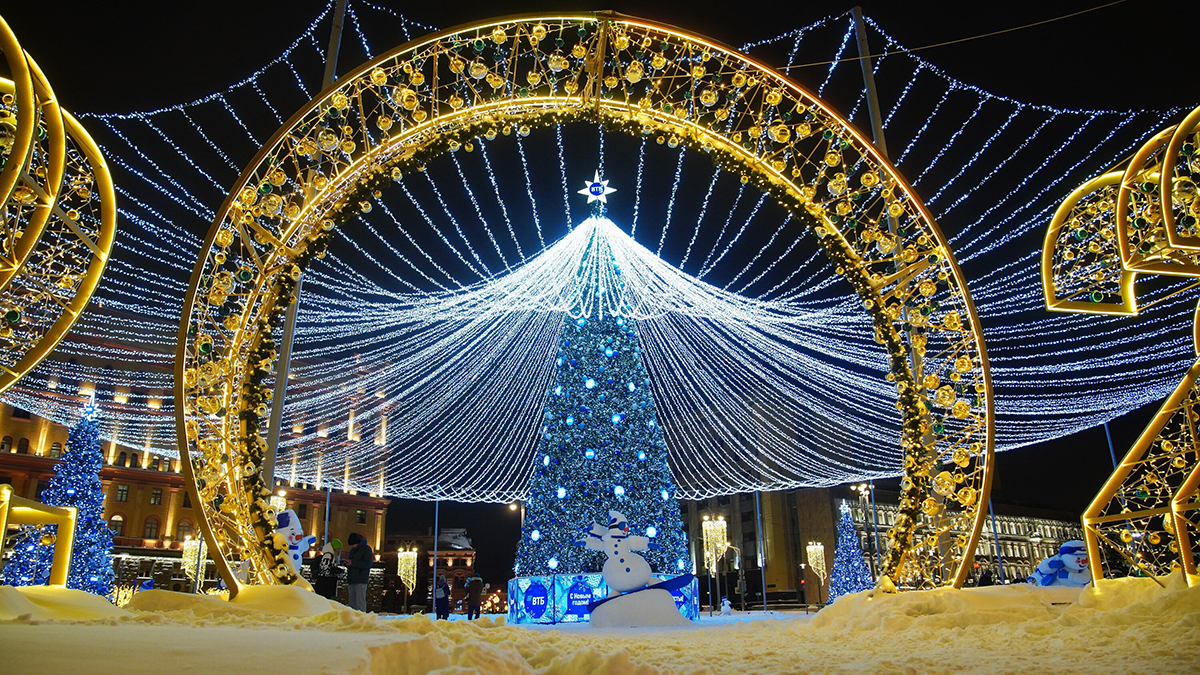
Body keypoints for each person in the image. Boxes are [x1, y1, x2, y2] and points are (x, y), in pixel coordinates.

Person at [346, 532, 374, 611]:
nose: (351, 546)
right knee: (352, 602)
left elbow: (368, 564)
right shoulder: (353, 550)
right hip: (352, 579)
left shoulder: (367, 549)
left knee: (360, 601)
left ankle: (361, 618)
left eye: (352, 544)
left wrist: (352, 563)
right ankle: (353, 618)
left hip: (361, 579)